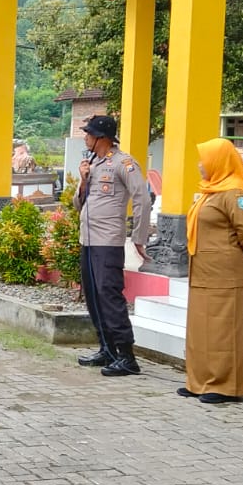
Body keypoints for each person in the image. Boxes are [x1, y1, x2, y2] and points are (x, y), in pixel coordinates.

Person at [180, 138, 243, 404]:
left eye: (205, 160)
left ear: (218, 162)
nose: (200, 165)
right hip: (202, 270)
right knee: (201, 328)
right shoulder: (210, 191)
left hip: (224, 272)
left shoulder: (234, 192)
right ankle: (199, 381)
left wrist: (241, 250)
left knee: (223, 330)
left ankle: (225, 386)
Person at [74, 115, 152, 377]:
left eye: (89, 134)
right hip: (88, 239)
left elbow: (142, 199)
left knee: (109, 296)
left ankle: (127, 357)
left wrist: (138, 237)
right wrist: (83, 180)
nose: (85, 137)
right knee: (93, 296)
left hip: (107, 242)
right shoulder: (92, 164)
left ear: (102, 138)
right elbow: (79, 204)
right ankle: (106, 349)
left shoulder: (123, 163)